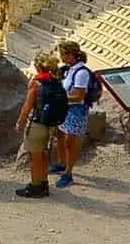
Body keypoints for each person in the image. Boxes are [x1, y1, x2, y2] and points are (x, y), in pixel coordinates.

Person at [15, 51, 69, 199]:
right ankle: (43, 183)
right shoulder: (56, 81)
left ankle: (35, 187)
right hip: (51, 125)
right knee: (44, 155)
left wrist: (20, 122)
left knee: (35, 158)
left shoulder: (36, 83)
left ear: (39, 67)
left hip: (37, 124)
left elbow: (27, 107)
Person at [53, 41, 94, 189]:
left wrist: (58, 97)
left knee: (70, 142)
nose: (61, 58)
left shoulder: (81, 72)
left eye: (63, 54)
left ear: (71, 55)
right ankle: (61, 163)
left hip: (76, 110)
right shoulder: (69, 69)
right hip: (66, 108)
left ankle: (68, 173)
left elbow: (78, 96)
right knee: (59, 135)